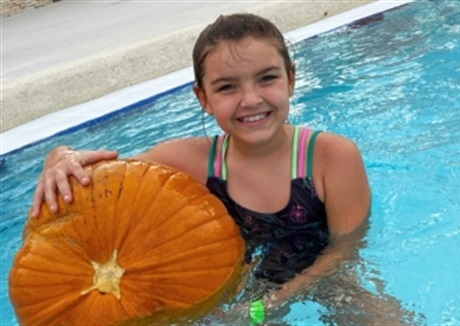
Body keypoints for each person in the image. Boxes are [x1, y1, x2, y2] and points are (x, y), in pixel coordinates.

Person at [31, 13, 373, 322]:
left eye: (266, 78)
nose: (251, 99)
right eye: (227, 87)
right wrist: (58, 157)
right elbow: (103, 182)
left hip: (325, 279)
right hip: (232, 287)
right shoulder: (190, 161)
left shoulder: (330, 157)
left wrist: (268, 305)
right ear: (203, 99)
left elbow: (345, 250)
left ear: (291, 80)